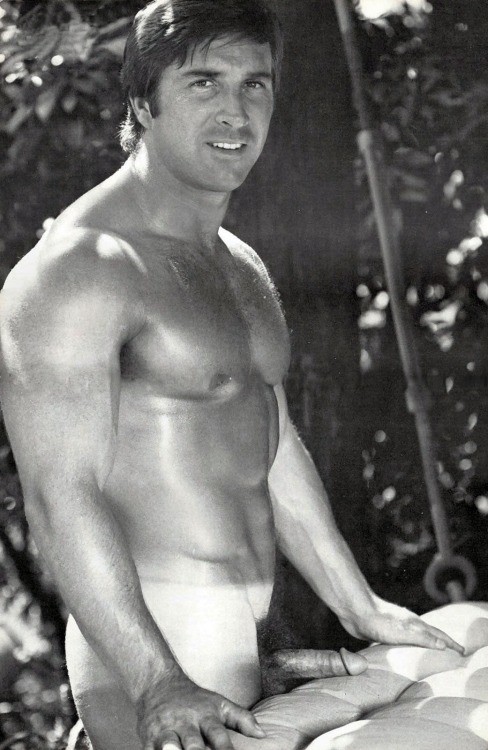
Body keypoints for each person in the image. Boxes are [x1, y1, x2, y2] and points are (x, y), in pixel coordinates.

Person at [0, 2, 463, 749]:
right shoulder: (81, 269)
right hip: (154, 651)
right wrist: (157, 680)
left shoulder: (238, 263)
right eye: (204, 83)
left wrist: (359, 605)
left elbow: (272, 447)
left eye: (256, 84)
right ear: (142, 103)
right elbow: (59, 495)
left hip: (248, 636)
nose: (236, 111)